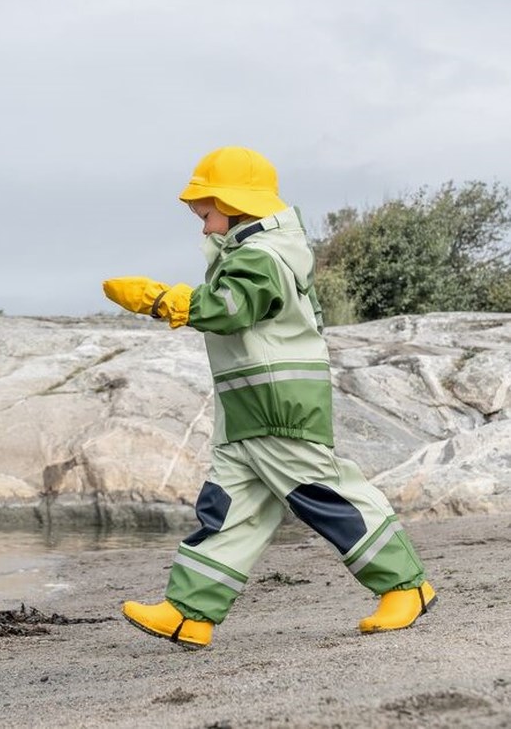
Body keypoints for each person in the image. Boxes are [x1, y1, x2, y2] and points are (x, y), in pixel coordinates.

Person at [102, 146, 436, 648]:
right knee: (228, 508)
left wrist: (158, 300)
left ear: (237, 205)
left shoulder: (263, 256)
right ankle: (189, 611)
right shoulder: (255, 253)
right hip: (248, 410)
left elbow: (231, 308)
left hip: (278, 406)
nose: (205, 227)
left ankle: (405, 586)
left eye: (208, 214)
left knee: (324, 494)